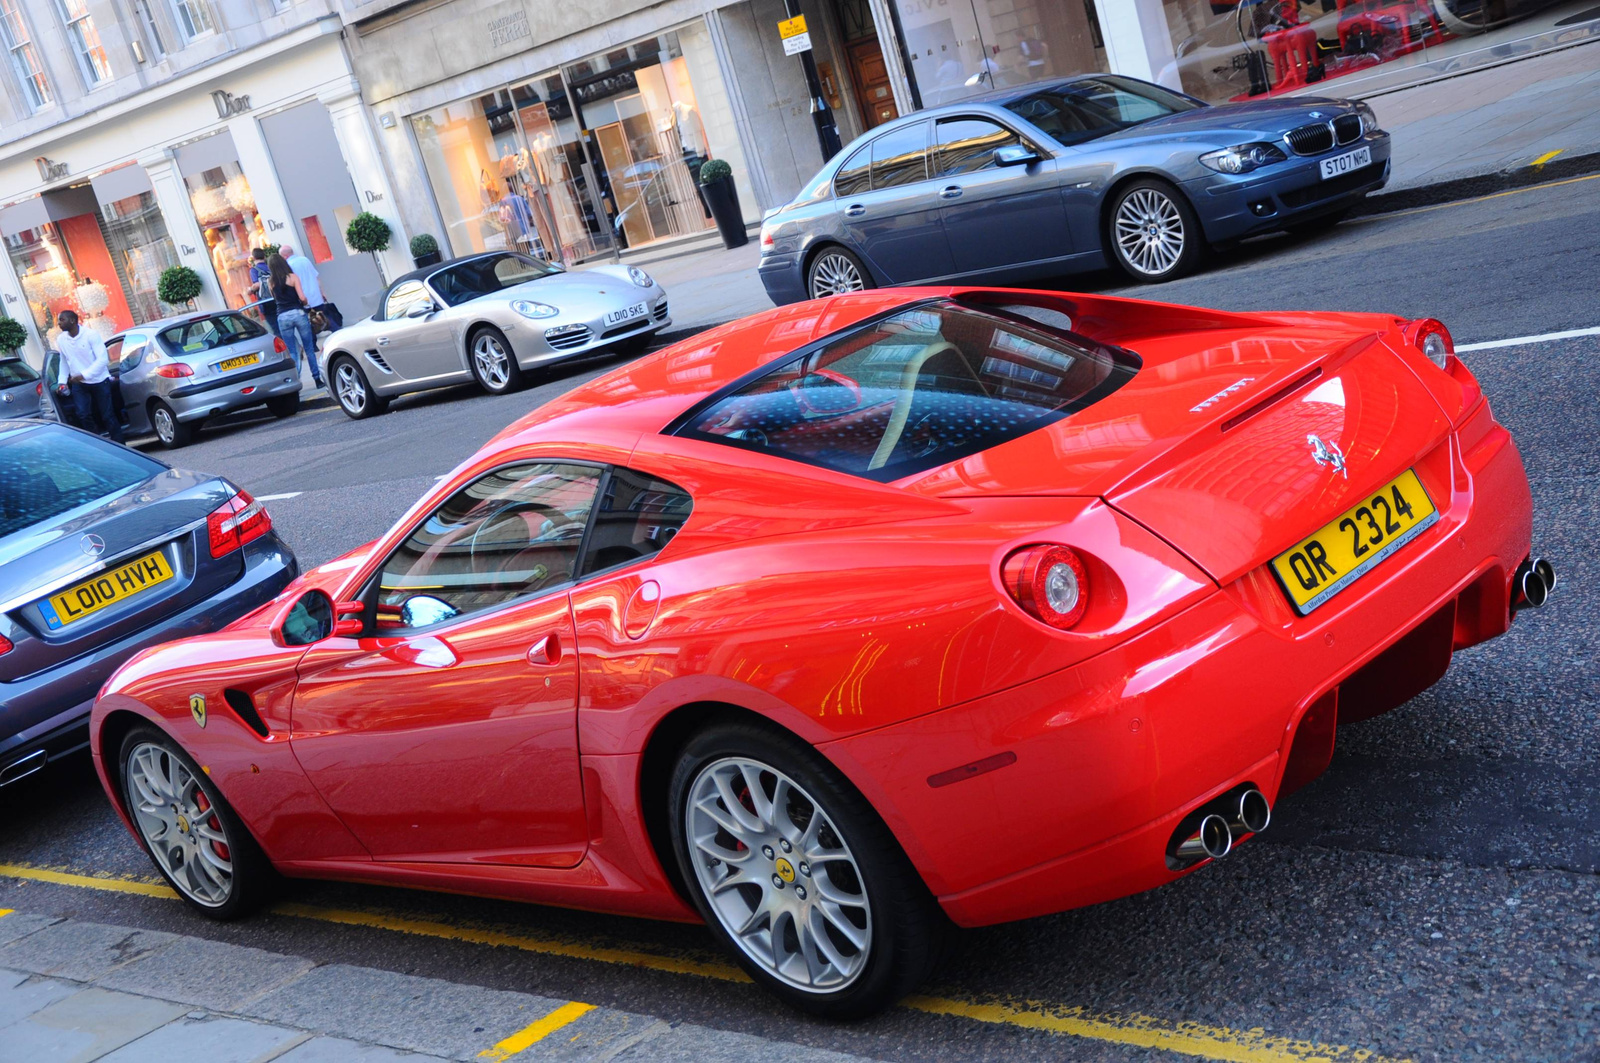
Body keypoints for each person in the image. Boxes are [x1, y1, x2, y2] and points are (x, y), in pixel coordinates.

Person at [54, 310, 123, 443]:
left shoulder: (90, 335)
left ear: (72, 320)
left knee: (108, 415)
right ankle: (97, 444)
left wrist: (84, 375)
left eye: (62, 320)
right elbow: (64, 361)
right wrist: (61, 381)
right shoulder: (61, 339)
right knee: (82, 414)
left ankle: (120, 445)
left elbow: (103, 359)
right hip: (79, 384)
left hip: (99, 380)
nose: (59, 323)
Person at [268, 253, 325, 388]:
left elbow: (275, 299)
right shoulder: (293, 277)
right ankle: (317, 379)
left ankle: (295, 382)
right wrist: (304, 302)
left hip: (282, 316)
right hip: (298, 313)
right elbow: (302, 297)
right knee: (309, 349)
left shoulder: (270, 282)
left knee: (292, 351)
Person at [280, 244, 342, 332]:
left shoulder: (288, 266)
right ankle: (338, 332)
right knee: (326, 318)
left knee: (308, 325)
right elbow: (316, 277)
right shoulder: (305, 260)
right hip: (315, 294)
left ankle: (314, 343)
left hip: (303, 297)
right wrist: (322, 292)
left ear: (285, 256)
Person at [249, 248, 278, 337]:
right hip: (277, 298)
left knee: (275, 328)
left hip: (265, 302)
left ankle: (288, 349)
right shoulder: (270, 267)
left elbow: (257, 284)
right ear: (264, 256)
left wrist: (250, 290)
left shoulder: (254, 270)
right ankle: (296, 346)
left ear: (253, 258)